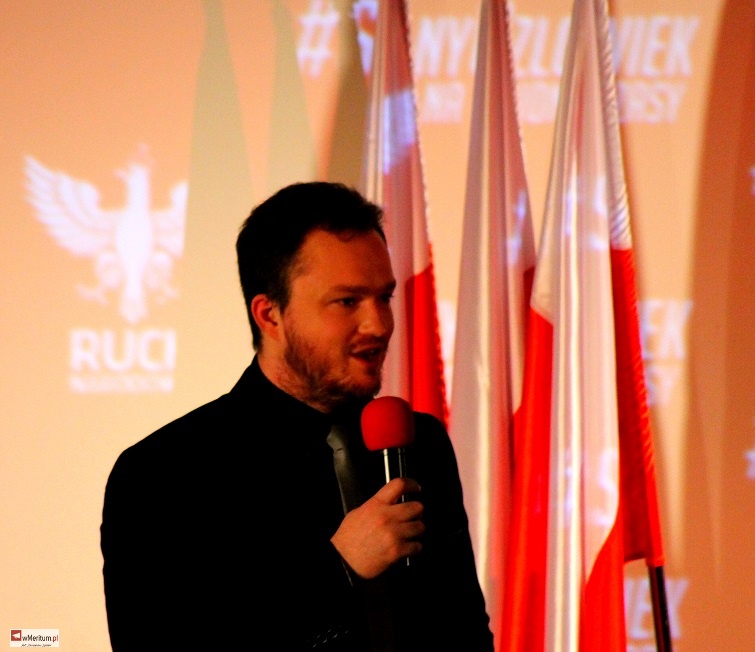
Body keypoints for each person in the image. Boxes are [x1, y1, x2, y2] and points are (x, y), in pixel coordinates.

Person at [100, 181, 494, 651]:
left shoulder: (418, 442)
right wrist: (339, 569)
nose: (378, 325)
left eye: (384, 298)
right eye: (347, 301)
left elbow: (465, 631)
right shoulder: (163, 472)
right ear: (270, 316)